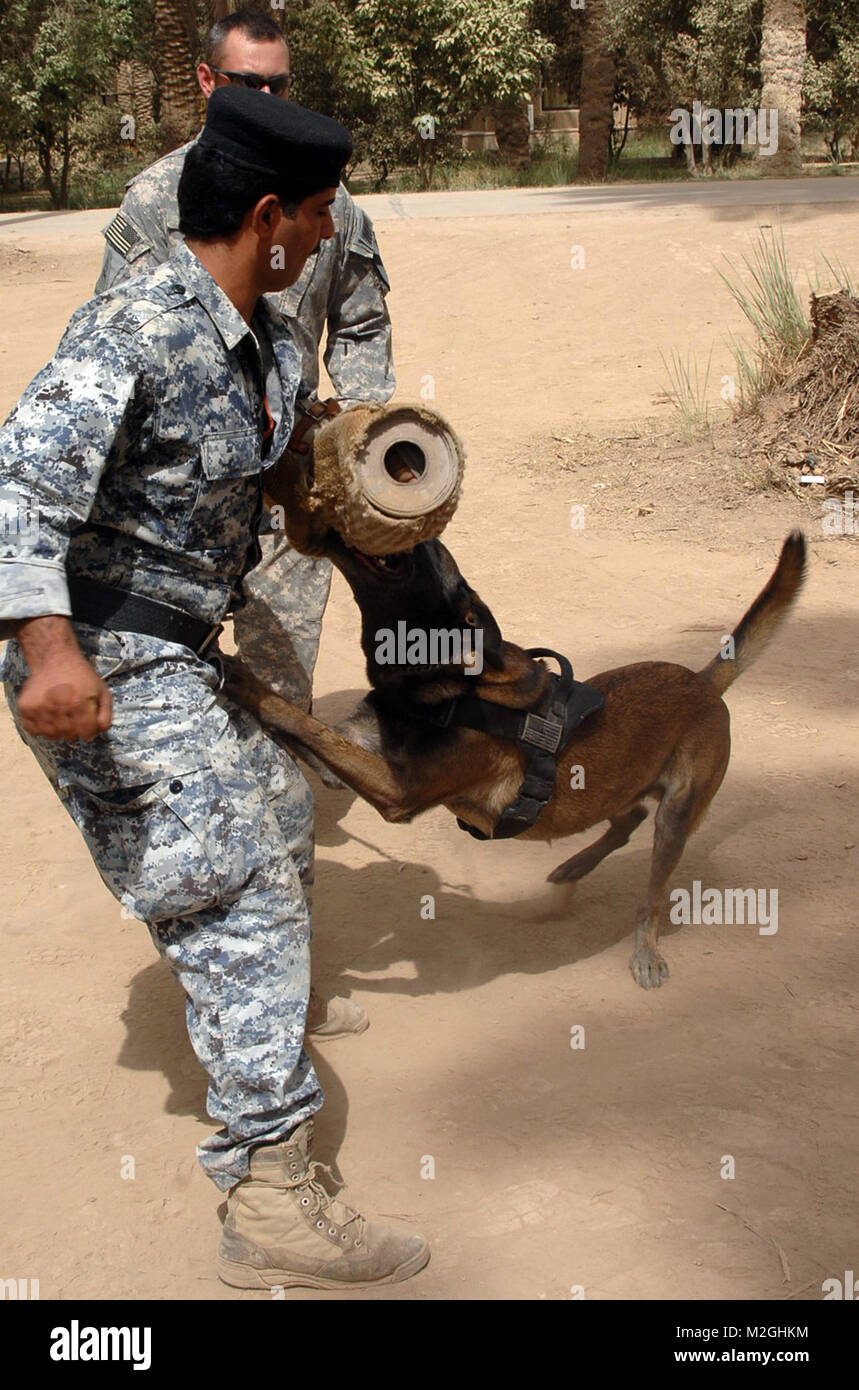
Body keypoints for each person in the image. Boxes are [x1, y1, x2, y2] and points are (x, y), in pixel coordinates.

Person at [0, 86, 429, 1292]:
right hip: (100, 650)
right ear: (267, 216)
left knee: (283, 819)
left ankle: (252, 1034)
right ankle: (271, 1196)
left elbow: (289, 481)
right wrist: (48, 655)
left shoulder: (263, 347)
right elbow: (16, 492)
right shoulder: (134, 329)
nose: (332, 228)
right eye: (320, 211)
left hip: (181, 645)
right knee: (235, 879)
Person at [96, 6, 394, 713]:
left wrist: (361, 429)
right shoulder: (152, 200)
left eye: (277, 86)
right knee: (176, 673)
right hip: (183, 495)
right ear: (206, 80)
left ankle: (274, 804)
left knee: (281, 682)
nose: (264, 100)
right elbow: (116, 347)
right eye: (244, 84)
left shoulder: (330, 203)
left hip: (289, 475)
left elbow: (361, 322)